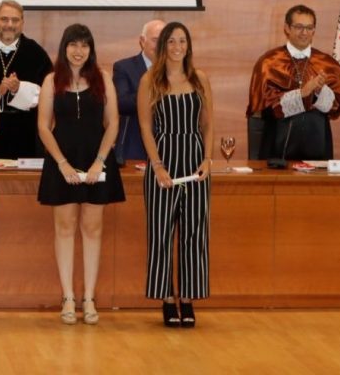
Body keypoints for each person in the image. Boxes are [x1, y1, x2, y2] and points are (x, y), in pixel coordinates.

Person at [37, 24, 125, 325]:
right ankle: (68, 298)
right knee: (64, 227)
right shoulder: (51, 81)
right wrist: (61, 162)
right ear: (64, 48)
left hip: (96, 162)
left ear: (91, 49)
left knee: (92, 228)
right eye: (73, 44)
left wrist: (100, 161)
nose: (78, 51)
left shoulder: (104, 79)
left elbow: (113, 123)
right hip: (61, 162)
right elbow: (43, 126)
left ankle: (88, 298)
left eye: (84, 45)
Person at [138, 21, 213, 329]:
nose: (177, 46)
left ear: (188, 45)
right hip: (164, 161)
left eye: (182, 41)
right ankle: (167, 299)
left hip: (195, 163)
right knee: (161, 234)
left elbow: (207, 124)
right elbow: (145, 126)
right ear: (162, 46)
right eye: (171, 41)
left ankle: (189, 298)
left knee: (195, 233)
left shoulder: (200, 79)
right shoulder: (150, 80)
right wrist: (157, 165)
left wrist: (207, 159)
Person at [246, 5, 340, 160]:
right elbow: (268, 108)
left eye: (309, 27)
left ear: (314, 30)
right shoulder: (268, 63)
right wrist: (303, 93)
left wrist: (319, 91)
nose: (304, 32)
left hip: (317, 144)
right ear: (287, 28)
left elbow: (333, 108)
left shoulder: (328, 64)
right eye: (299, 27)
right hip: (278, 143)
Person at [0, 0, 52, 159]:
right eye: (4, 19)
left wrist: (20, 89)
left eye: (15, 20)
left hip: (26, 135)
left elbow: (49, 93)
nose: (10, 24)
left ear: (22, 23)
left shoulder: (36, 53)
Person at [112, 19, 165, 163]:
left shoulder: (177, 71)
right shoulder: (124, 67)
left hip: (169, 151)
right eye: (155, 40)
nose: (160, 46)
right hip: (136, 150)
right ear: (142, 41)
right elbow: (122, 103)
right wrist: (155, 91)